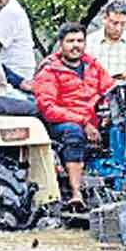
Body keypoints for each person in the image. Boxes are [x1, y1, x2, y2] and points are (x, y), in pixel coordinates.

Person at [36, 22, 116, 211]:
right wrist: (83, 122)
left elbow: (110, 90)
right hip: (60, 124)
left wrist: (108, 111)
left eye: (80, 40)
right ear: (61, 44)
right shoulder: (49, 71)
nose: (76, 45)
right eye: (70, 41)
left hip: (92, 123)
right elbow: (48, 108)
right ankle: (76, 193)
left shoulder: (93, 67)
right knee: (74, 132)